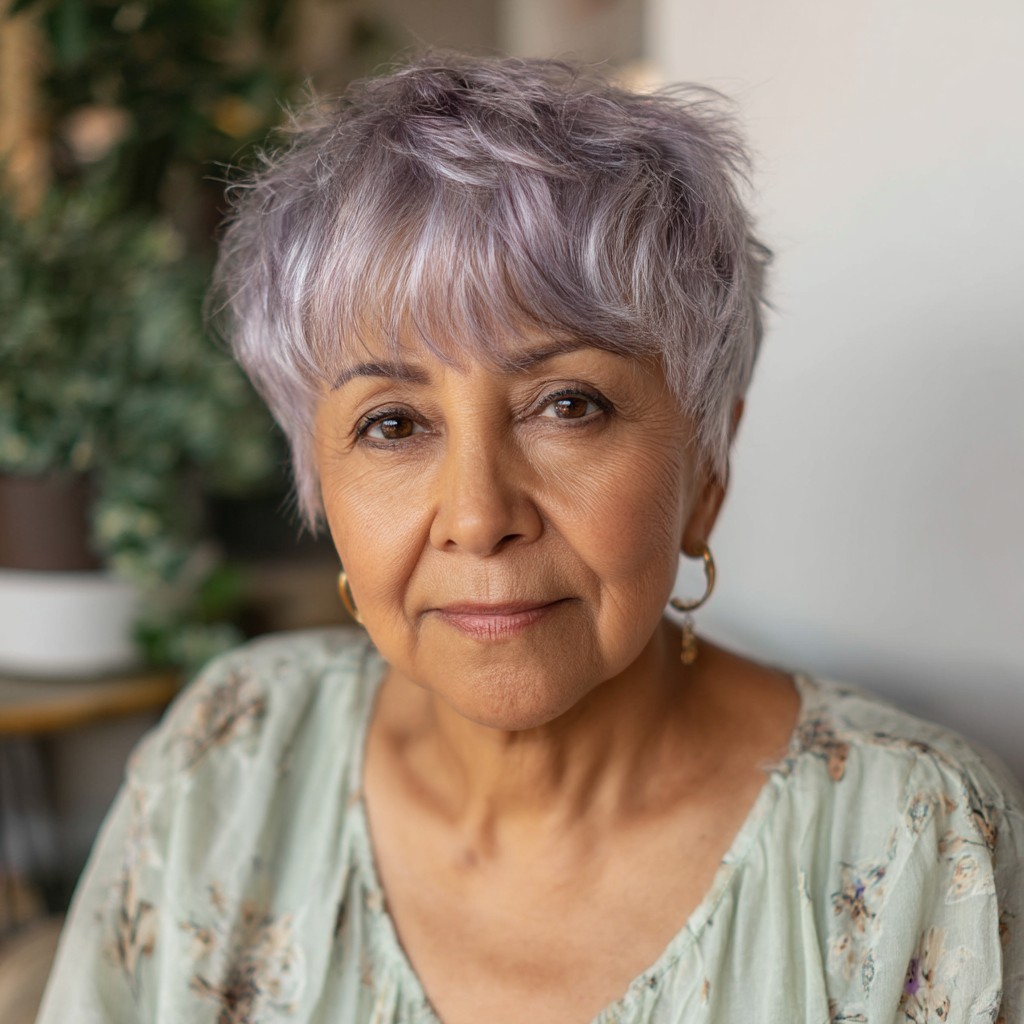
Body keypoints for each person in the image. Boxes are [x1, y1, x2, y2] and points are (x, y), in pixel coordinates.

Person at [37, 53, 1023, 1024]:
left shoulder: (915, 841)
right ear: (320, 484)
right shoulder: (228, 758)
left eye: (568, 404)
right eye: (393, 422)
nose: (477, 515)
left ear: (707, 466)